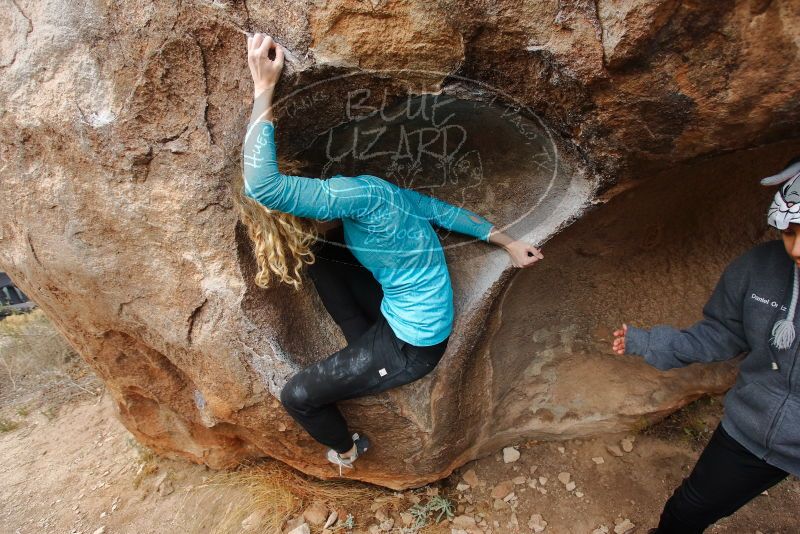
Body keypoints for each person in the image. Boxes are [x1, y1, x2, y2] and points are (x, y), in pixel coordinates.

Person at [238, 33, 544, 474]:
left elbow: (262, 185)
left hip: (411, 344)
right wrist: (508, 242)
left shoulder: (353, 198)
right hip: (397, 305)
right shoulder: (376, 193)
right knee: (323, 257)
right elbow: (441, 211)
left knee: (298, 397)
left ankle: (347, 449)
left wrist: (263, 87)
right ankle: (361, 349)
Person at [612, 156, 800, 533]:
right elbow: (722, 333)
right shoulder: (757, 268)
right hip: (753, 426)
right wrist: (649, 343)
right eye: (790, 232)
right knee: (687, 510)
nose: (796, 249)